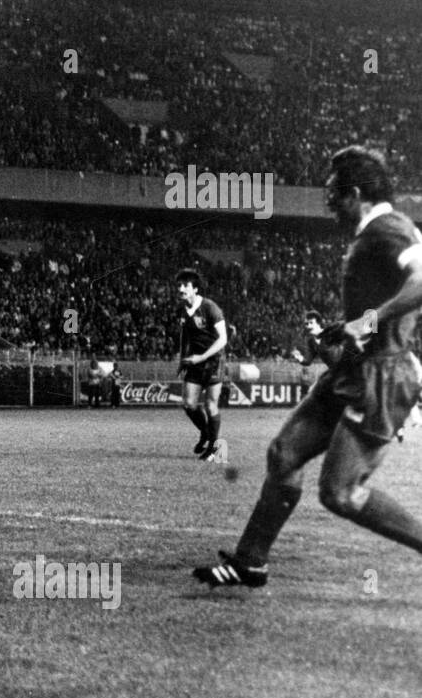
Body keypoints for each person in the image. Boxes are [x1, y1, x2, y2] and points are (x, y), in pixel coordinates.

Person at [194, 146, 422, 588]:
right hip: (351, 371)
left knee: (340, 493)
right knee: (284, 454)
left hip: (381, 378)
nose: (330, 203)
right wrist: (346, 328)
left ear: (356, 193)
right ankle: (250, 562)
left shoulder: (389, 229)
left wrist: (370, 320)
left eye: (334, 193)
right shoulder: (373, 233)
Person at [176, 268, 228, 461]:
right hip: (195, 361)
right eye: (179, 285)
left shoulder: (210, 308)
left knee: (210, 404)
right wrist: (183, 359)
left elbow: (223, 339)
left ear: (195, 289)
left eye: (185, 285)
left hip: (214, 361)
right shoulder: (182, 309)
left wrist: (202, 356)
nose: (181, 289)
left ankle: (214, 449)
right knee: (189, 404)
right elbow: (185, 336)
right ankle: (206, 432)